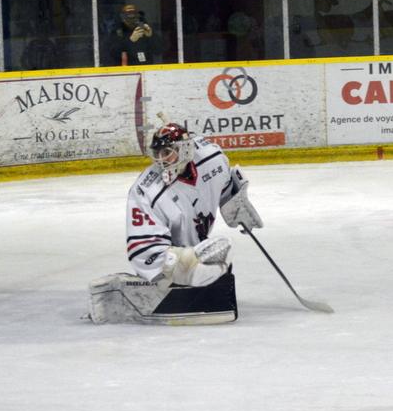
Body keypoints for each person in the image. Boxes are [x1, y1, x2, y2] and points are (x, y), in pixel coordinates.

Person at [87, 122, 263, 324]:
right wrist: (185, 264)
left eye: (167, 153)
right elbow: (144, 250)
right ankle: (188, 274)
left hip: (196, 242)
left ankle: (199, 272)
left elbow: (224, 183)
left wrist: (235, 203)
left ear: (185, 149)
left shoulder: (212, 158)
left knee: (221, 260)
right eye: (157, 153)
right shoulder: (145, 192)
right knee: (213, 261)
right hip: (169, 262)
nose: (161, 159)